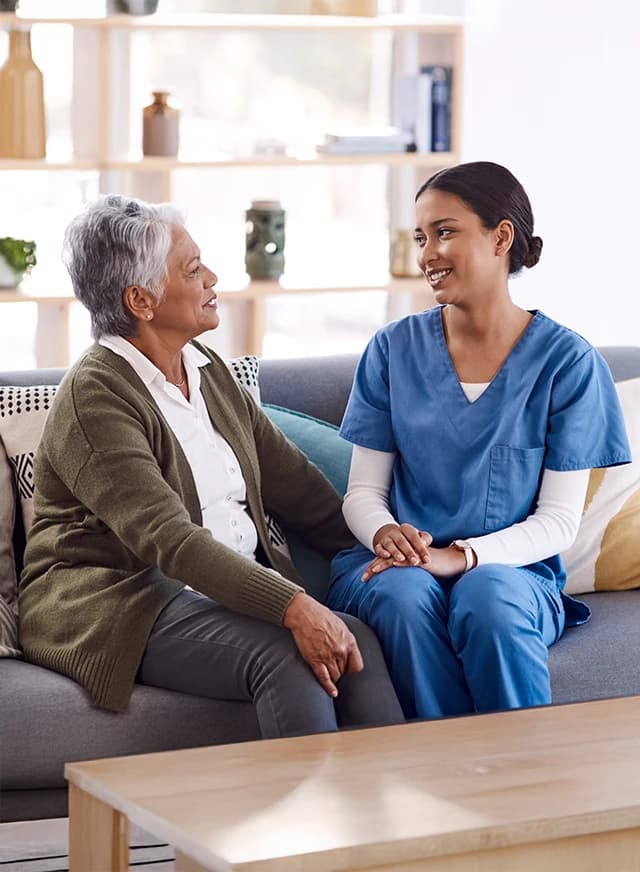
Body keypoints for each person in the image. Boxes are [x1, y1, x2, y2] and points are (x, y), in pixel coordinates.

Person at [18, 194, 404, 737]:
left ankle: (395, 793)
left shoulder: (207, 371)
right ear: (141, 300)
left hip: (206, 593)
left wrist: (388, 545)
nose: (212, 279)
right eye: (193, 270)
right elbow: (170, 541)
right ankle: (309, 798)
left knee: (357, 640)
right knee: (286, 654)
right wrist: (293, 606)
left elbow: (300, 491)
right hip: (121, 600)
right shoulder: (96, 397)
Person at [326, 161, 631, 720]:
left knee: (487, 597)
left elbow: (559, 521)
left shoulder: (568, 363)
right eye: (421, 238)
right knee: (403, 595)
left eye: (444, 232)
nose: (427, 254)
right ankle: (444, 766)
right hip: (398, 569)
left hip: (512, 574)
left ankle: (518, 769)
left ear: (501, 237)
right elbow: (363, 493)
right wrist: (387, 535)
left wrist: (460, 557)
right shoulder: (391, 350)